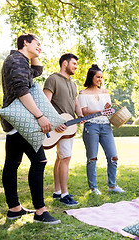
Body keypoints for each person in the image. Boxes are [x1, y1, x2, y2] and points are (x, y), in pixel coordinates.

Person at [0, 33, 60, 224]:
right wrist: (40, 116)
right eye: (37, 44)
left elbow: (37, 71)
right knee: (39, 161)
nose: (40, 48)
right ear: (25, 43)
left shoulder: (19, 61)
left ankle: (14, 209)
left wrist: (34, 54)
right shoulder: (17, 60)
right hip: (22, 120)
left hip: (15, 122)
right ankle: (40, 211)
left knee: (12, 163)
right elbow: (21, 90)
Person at [78, 64, 124, 195]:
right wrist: (101, 111)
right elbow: (85, 111)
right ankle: (93, 188)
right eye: (98, 77)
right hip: (91, 126)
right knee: (92, 158)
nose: (100, 80)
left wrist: (107, 108)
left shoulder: (105, 92)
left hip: (106, 126)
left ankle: (112, 186)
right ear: (91, 77)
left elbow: (107, 111)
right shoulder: (83, 93)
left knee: (113, 157)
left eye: (101, 77)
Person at [43, 53, 83, 206]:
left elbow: (75, 101)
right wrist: (54, 122)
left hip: (69, 126)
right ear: (64, 63)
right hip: (57, 127)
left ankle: (57, 191)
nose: (76, 67)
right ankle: (64, 195)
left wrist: (79, 114)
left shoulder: (73, 84)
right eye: (74, 63)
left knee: (60, 158)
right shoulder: (52, 79)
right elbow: (45, 103)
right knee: (65, 158)